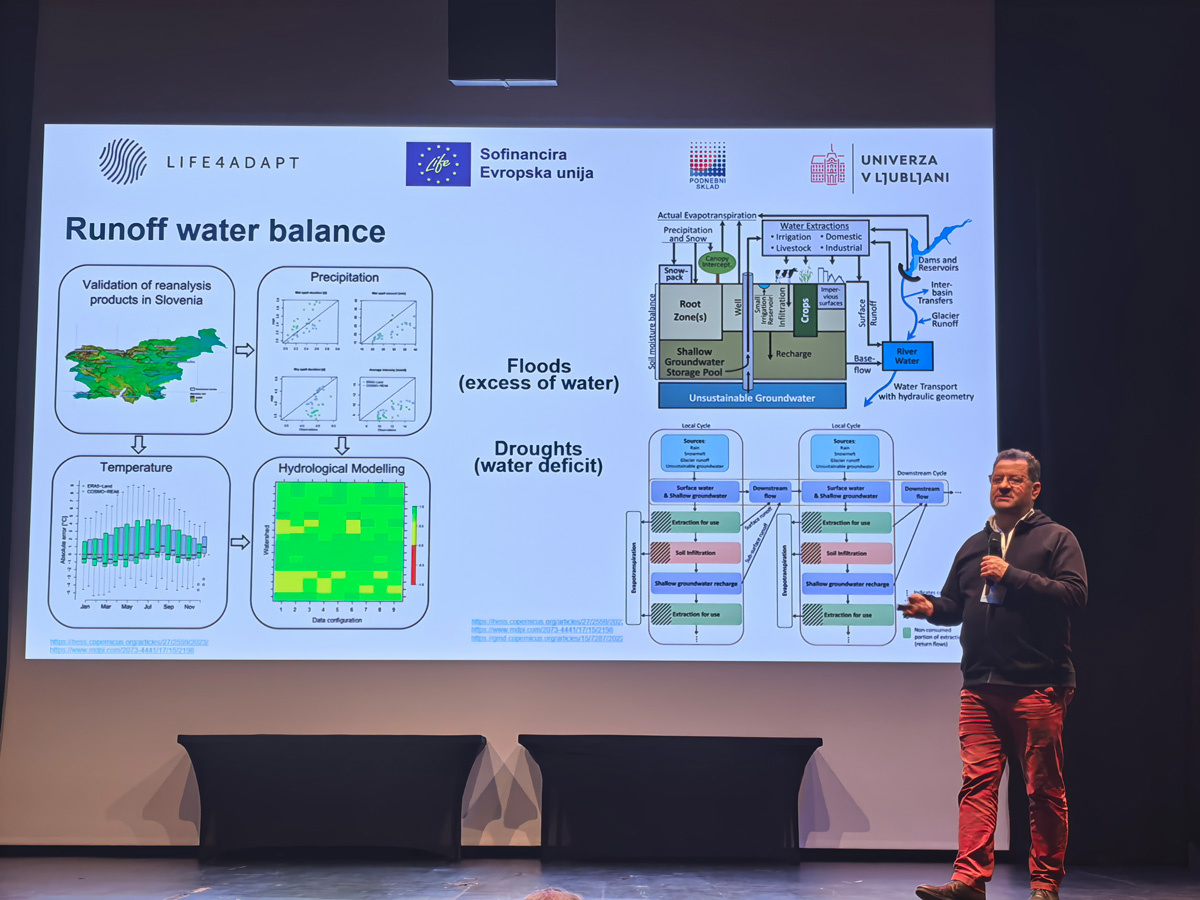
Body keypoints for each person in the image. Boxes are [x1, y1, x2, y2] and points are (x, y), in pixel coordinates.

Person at [899, 449, 1087, 900]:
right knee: (977, 785)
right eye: (997, 478)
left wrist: (1012, 575)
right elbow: (956, 605)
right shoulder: (973, 545)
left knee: (1043, 790)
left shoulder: (1056, 539)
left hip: (1037, 684)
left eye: (1014, 480)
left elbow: (1074, 595)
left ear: (1034, 489)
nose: (1003, 486)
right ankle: (969, 880)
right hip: (979, 687)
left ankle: (1045, 884)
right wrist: (932, 609)